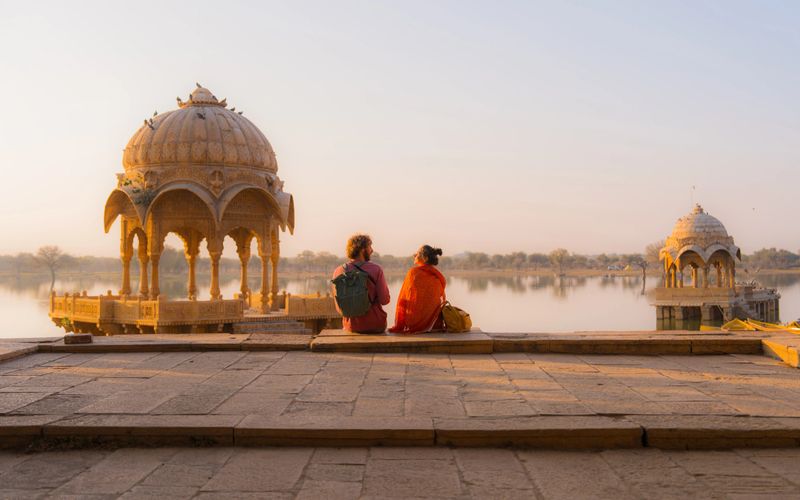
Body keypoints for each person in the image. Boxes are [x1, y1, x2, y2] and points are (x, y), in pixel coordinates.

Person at [331, 234, 390, 333]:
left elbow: (339, 308)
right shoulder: (376, 269)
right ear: (363, 249)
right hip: (375, 324)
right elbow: (385, 300)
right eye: (370, 246)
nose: (372, 250)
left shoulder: (338, 271)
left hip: (351, 327)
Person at [389, 245, 446, 334]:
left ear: (425, 258)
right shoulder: (437, 276)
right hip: (434, 325)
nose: (414, 255)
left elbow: (404, 300)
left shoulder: (413, 273)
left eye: (418, 253)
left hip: (414, 324)